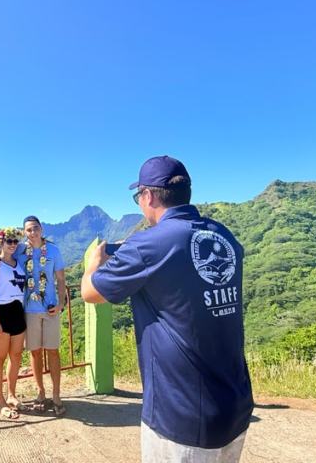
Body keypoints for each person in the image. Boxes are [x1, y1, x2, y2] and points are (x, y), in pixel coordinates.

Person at [81, 156, 253, 462]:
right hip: (235, 406)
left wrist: (93, 265)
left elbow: (90, 293)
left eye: (138, 197)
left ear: (147, 196)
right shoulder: (223, 236)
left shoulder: (148, 245)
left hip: (181, 418)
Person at [0, 216, 68, 416]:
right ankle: (39, 393)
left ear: (41, 229)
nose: (32, 233)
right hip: (28, 311)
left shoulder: (53, 251)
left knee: (51, 352)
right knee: (33, 353)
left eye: (35, 229)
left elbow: (60, 279)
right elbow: (3, 254)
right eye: (28, 230)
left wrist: (61, 303)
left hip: (47, 310)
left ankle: (55, 394)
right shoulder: (22, 251)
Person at [0, 227, 28, 419]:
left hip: (18, 312)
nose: (12, 244)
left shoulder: (19, 264)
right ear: (0, 243)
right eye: (8, 241)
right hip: (1, 313)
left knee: (16, 356)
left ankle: (11, 395)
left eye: (14, 241)